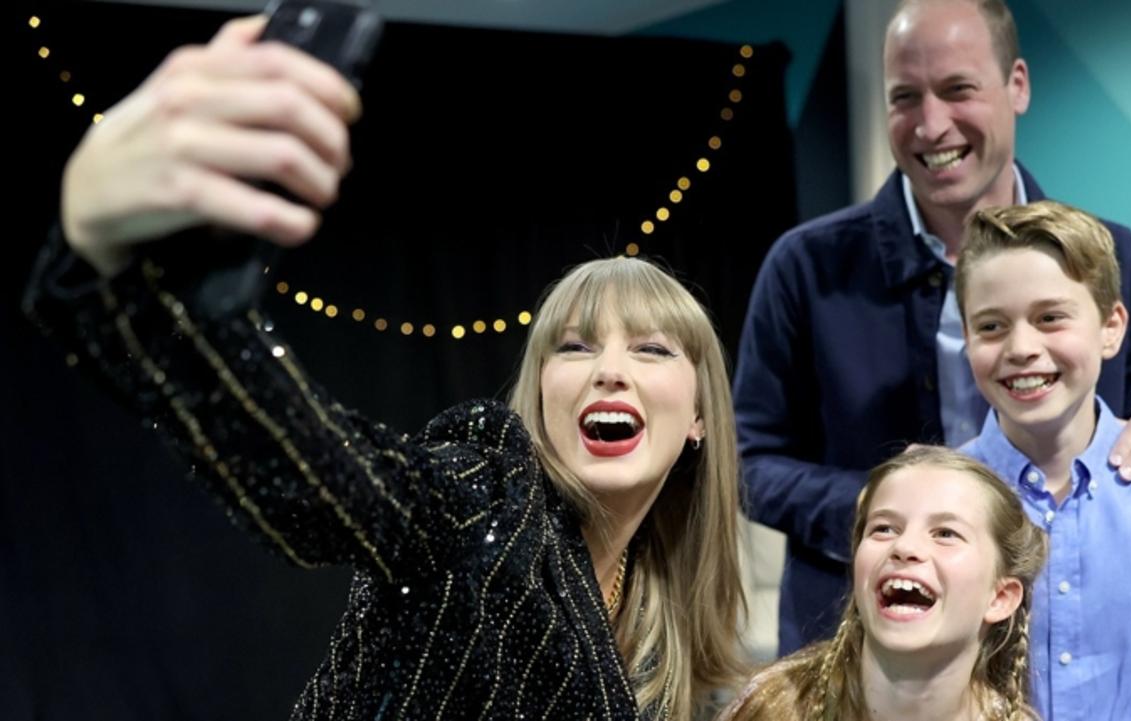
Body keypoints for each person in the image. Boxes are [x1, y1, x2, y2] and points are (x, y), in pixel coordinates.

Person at [24, 15, 746, 720]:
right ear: (538, 391)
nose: (608, 370)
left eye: (651, 348)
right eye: (576, 346)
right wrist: (106, 257)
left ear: (700, 417)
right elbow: (319, 476)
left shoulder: (654, 607)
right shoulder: (490, 496)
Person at [732, 0, 1131, 655]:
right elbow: (747, 463)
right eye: (905, 97)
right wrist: (890, 509)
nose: (931, 125)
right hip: (852, 645)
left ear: (1017, 85)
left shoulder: (1119, 261)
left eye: (957, 89)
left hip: (1062, 643)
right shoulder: (804, 266)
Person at [956, 201, 1131, 719]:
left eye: (1050, 318)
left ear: (1111, 327)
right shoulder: (938, 497)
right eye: (992, 326)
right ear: (967, 338)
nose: (1021, 346)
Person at [721, 446, 1047, 721]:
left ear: (1001, 597)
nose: (904, 548)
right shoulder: (772, 708)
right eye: (884, 529)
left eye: (946, 534)